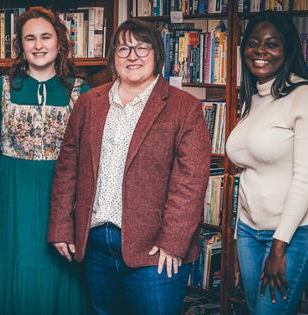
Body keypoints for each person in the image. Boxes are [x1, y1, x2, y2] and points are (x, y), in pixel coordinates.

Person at [48, 18, 211, 315]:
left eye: (142, 48)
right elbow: (67, 168)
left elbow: (191, 181)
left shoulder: (183, 107)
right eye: (124, 49)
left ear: (158, 55)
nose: (132, 56)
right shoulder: (88, 103)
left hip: (155, 250)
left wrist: (173, 242)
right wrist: (61, 226)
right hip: (96, 242)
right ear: (113, 57)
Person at [0, 7, 91, 315]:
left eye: (46, 37)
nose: (39, 45)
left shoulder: (81, 91)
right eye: (30, 38)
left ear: (60, 42)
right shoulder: (0, 89)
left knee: (61, 277)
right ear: (21, 46)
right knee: (19, 274)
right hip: (14, 202)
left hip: (61, 201)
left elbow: (90, 160)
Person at [225, 11, 308, 314]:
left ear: (288, 50)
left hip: (295, 231)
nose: (260, 51)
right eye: (253, 43)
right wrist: (235, 238)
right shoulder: (253, 96)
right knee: (255, 307)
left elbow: (304, 179)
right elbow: (249, 175)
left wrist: (279, 246)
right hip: (248, 229)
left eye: (272, 44)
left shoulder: (305, 97)